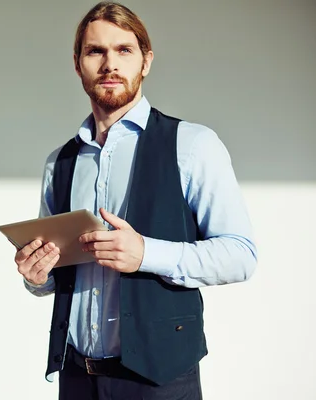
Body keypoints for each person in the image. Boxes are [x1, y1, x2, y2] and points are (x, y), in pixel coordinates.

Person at [14, 2, 257, 399]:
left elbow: (241, 255)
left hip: (158, 382)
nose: (110, 63)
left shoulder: (192, 145)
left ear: (146, 61)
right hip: (76, 378)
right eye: (96, 51)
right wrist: (37, 276)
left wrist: (145, 253)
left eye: (124, 50)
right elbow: (55, 274)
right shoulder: (59, 163)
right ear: (77, 64)